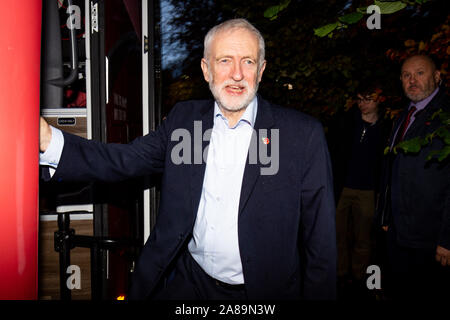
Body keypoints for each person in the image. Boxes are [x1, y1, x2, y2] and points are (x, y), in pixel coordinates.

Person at [39, 18, 336, 300]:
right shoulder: (184, 121)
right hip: (190, 285)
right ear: (206, 70)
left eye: (248, 61)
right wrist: (50, 142)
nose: (236, 74)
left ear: (261, 70)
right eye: (224, 61)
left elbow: (319, 242)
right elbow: (125, 159)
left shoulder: (301, 135)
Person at [377, 54, 450, 300]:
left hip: (432, 238)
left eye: (420, 73)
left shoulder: (446, 117)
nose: (412, 80)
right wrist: (386, 214)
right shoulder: (402, 117)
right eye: (407, 75)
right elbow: (391, 169)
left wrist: (447, 239)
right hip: (398, 233)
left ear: (437, 76)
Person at [327, 81, 391, 299]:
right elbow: (332, 150)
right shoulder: (345, 122)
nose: (362, 104)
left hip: (368, 190)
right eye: (360, 99)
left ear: (379, 100)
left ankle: (360, 275)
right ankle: (340, 273)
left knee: (363, 237)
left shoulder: (387, 126)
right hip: (342, 188)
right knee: (337, 233)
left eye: (368, 99)